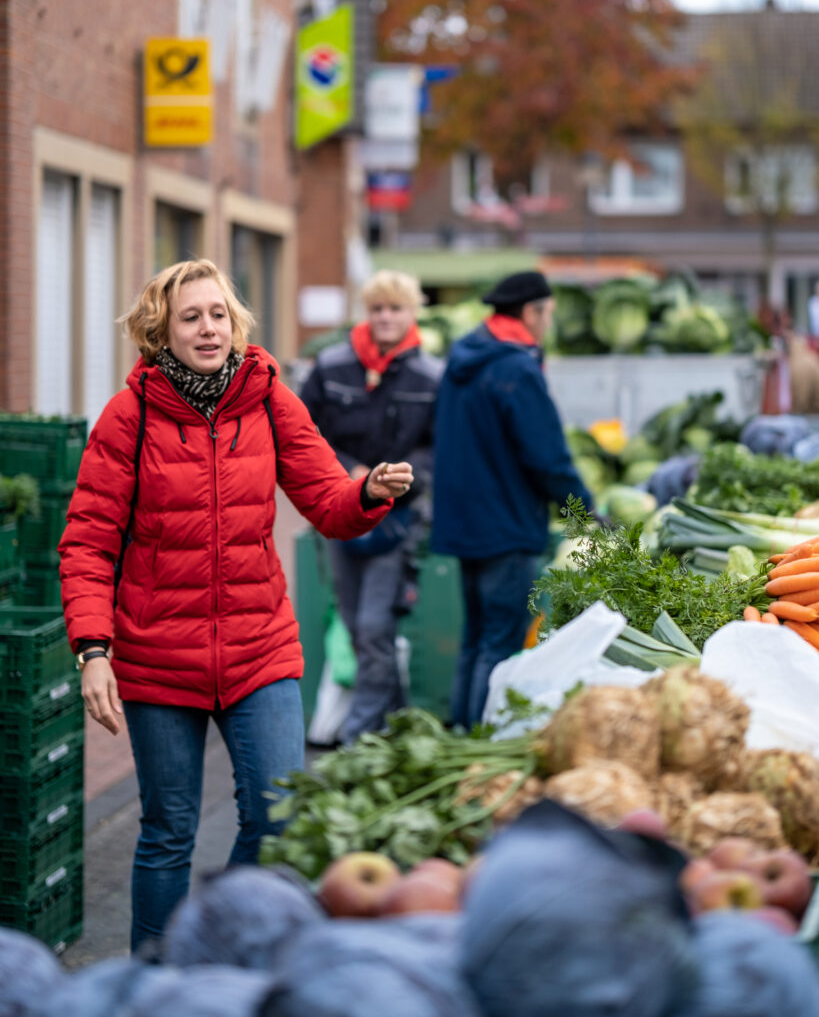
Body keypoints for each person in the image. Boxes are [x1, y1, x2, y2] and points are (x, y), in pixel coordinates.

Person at [57, 259, 413, 953]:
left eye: (218, 314)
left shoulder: (268, 395)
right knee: (168, 831)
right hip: (158, 655)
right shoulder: (130, 416)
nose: (208, 328)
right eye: (191, 317)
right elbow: (88, 541)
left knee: (278, 815)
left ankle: (216, 949)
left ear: (235, 322)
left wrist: (366, 492)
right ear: (162, 331)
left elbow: (326, 499)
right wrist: (93, 650)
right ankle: (153, 978)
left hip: (258, 646)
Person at [431, 270, 593, 731]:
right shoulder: (516, 368)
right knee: (498, 645)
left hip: (464, 526)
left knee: (476, 639)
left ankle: (460, 738)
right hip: (506, 528)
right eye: (548, 315)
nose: (548, 325)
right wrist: (583, 512)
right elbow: (547, 457)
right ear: (530, 312)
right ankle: (480, 747)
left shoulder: (463, 361)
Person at [299, 270, 442, 744]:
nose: (385, 317)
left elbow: (437, 449)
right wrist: (348, 471)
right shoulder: (331, 367)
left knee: (373, 626)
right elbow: (302, 433)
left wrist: (398, 479)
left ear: (411, 313)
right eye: (377, 308)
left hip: (397, 520)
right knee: (361, 631)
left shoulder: (432, 377)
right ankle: (398, 724)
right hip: (340, 513)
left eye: (395, 308)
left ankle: (356, 740)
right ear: (366, 312)